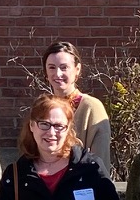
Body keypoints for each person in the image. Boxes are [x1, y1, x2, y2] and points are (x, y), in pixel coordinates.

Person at [44, 41, 112, 173]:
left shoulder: (91, 107)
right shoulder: (42, 108)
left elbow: (101, 161)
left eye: (64, 67)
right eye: (51, 67)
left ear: (77, 69)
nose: (57, 74)